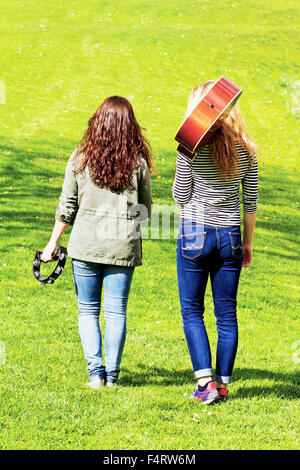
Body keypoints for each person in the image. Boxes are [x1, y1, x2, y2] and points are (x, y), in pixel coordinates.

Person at [41, 96, 153, 388]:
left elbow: (67, 207)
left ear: (98, 123)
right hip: (122, 246)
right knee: (116, 311)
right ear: (130, 127)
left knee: (88, 310)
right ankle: (113, 376)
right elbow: (145, 211)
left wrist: (52, 244)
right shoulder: (138, 164)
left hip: (86, 245)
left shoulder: (80, 159)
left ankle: (96, 375)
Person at [173, 81, 258, 404]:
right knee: (227, 313)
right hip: (230, 235)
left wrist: (185, 160)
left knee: (192, 310)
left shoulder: (190, 149)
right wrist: (247, 243)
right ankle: (222, 384)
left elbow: (181, 196)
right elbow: (249, 201)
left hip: (195, 231)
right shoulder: (246, 149)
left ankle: (205, 382)